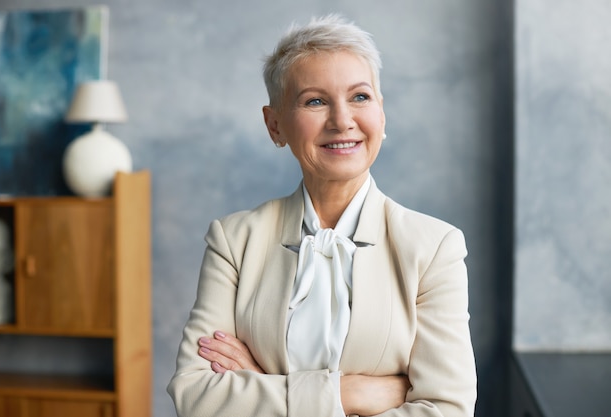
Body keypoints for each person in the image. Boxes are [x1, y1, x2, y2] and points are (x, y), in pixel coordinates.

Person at [168, 14, 476, 417]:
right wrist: (352, 395)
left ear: (381, 115)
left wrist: (263, 386)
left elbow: (447, 410)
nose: (342, 120)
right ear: (274, 124)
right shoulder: (233, 240)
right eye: (315, 101)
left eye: (360, 97)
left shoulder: (434, 248)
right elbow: (195, 396)